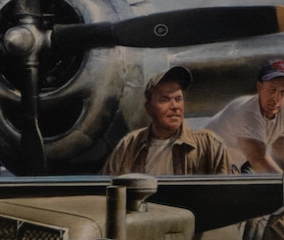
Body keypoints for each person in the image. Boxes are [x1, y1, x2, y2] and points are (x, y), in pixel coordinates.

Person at [101, 66, 237, 175]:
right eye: (164, 100)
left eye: (178, 99)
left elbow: (228, 195)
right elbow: (105, 193)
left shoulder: (211, 145)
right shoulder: (128, 146)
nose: (174, 106)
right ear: (149, 108)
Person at [205, 58, 284, 176]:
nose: (276, 98)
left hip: (239, 164)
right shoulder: (247, 113)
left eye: (283, 92)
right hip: (206, 164)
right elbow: (259, 161)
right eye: (272, 89)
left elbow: (279, 157)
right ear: (259, 88)